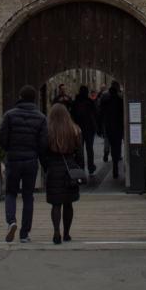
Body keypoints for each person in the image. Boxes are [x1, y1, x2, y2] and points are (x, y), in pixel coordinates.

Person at [0, 84, 47, 243]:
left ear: (20, 97)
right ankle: (25, 233)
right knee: (28, 196)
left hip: (13, 159)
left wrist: (9, 149)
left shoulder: (9, 115)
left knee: (11, 193)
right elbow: (43, 144)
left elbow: (2, 139)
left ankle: (11, 221)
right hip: (31, 160)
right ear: (34, 99)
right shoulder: (40, 117)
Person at [44, 102, 85, 244]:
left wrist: (46, 167)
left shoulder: (47, 130)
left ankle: (56, 231)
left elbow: (43, 152)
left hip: (54, 168)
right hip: (70, 169)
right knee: (68, 203)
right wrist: (80, 169)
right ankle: (67, 233)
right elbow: (79, 152)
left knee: (56, 204)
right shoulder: (74, 129)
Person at [70, 84, 98, 174]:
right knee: (89, 148)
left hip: (78, 129)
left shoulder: (75, 102)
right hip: (89, 129)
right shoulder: (90, 102)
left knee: (79, 149)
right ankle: (90, 167)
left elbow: (71, 115)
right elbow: (96, 114)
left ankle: (81, 166)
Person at [100, 80, 125, 179]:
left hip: (108, 126)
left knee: (107, 141)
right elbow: (123, 114)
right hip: (118, 127)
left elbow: (101, 112)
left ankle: (107, 152)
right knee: (116, 147)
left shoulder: (105, 98)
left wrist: (100, 126)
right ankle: (115, 167)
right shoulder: (120, 100)